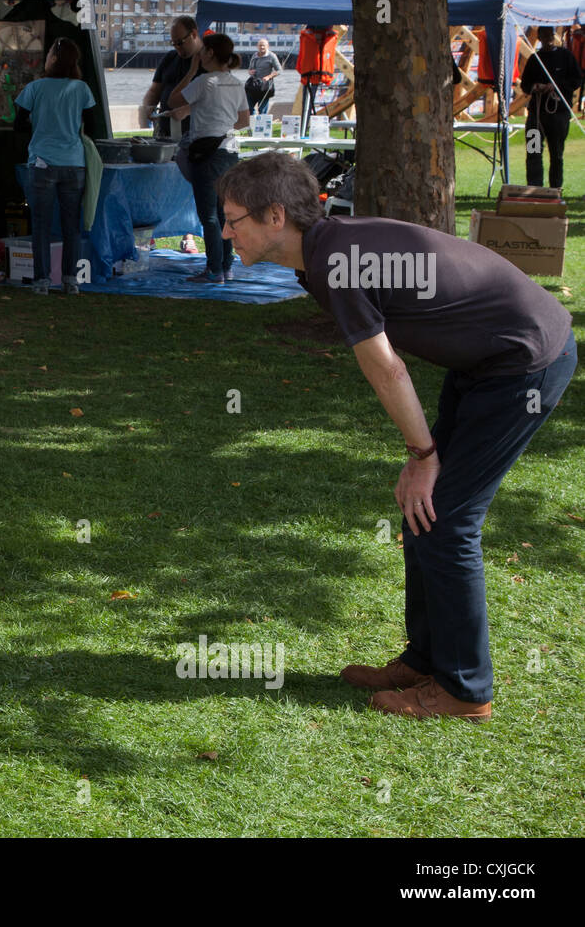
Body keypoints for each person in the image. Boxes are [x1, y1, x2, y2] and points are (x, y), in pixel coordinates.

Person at [217, 151, 576, 723]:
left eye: (233, 219)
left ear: (275, 217)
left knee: (448, 519)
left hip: (526, 362)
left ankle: (464, 690)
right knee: (425, 513)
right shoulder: (319, 255)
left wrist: (423, 455)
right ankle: (427, 659)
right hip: (489, 363)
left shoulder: (336, 261)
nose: (225, 230)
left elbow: (387, 369)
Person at [14, 38, 95, 296]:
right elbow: (90, 124)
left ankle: (42, 282)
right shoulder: (82, 89)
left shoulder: (35, 88)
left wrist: (40, 126)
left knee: (41, 225)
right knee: (71, 225)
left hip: (42, 163)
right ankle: (72, 281)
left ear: (54, 59)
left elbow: (18, 124)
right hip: (74, 163)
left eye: (49, 53)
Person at [168, 33, 249, 283]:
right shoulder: (236, 83)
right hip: (230, 151)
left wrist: (191, 71)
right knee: (225, 213)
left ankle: (213, 270)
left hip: (207, 153)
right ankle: (226, 266)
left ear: (211, 53)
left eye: (202, 52)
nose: (199, 55)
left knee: (209, 215)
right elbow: (244, 121)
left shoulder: (204, 82)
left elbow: (173, 100)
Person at [522, 26, 583, 190]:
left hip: (558, 115)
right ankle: (534, 188)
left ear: (554, 36)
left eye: (551, 35)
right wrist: (536, 87)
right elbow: (525, 85)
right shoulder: (535, 59)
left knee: (556, 154)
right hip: (536, 115)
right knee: (533, 151)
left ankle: (555, 189)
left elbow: (577, 80)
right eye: (544, 35)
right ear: (539, 37)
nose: (548, 38)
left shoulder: (566, 56)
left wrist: (556, 86)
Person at [138, 16, 203, 131]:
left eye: (180, 43)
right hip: (166, 130)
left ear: (193, 34)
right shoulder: (170, 58)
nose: (177, 48)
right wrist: (148, 105)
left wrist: (188, 110)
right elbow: (154, 91)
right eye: (173, 43)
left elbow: (216, 101)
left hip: (197, 133)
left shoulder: (210, 61)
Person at [248, 38, 281, 115]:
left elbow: (279, 70)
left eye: (263, 45)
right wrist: (250, 72)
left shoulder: (272, 56)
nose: (262, 47)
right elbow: (249, 69)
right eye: (260, 45)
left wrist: (269, 77)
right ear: (257, 46)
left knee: (262, 109)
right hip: (253, 85)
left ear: (267, 46)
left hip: (265, 86)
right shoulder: (254, 55)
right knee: (249, 107)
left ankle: (262, 125)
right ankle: (252, 124)